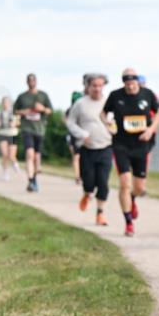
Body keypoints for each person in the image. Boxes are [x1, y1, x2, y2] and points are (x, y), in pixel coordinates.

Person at [104, 67, 159, 237]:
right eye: (126, 83)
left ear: (137, 81)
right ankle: (128, 222)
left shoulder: (147, 94)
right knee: (124, 183)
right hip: (121, 144)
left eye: (132, 83)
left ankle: (133, 199)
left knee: (138, 187)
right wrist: (107, 124)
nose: (129, 87)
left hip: (141, 145)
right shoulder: (116, 96)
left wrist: (151, 129)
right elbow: (103, 112)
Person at [66, 73, 113, 226]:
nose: (97, 89)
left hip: (106, 146)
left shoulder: (109, 102)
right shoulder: (80, 104)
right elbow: (71, 122)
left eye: (100, 85)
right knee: (89, 182)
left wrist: (114, 130)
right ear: (88, 86)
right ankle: (87, 194)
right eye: (94, 86)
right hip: (87, 148)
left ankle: (100, 213)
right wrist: (82, 134)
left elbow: (116, 121)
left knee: (103, 182)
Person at [13, 73, 53, 192]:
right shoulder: (22, 97)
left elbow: (50, 111)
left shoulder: (43, 95)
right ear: (27, 82)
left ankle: (34, 179)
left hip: (39, 129)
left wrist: (43, 109)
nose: (31, 82)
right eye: (29, 80)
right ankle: (30, 181)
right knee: (30, 154)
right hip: (27, 128)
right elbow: (14, 111)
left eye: (33, 80)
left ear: (36, 81)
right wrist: (23, 112)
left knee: (36, 156)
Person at [0, 96, 19, 180]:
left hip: (12, 134)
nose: (6, 104)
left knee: (12, 155)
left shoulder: (14, 112)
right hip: (2, 134)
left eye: (7, 102)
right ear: (2, 103)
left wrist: (14, 124)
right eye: (4, 102)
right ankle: (5, 172)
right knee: (4, 154)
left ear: (10, 103)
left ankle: (14, 163)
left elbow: (18, 122)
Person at [69, 77, 86, 184]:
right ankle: (77, 176)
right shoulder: (73, 109)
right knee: (77, 156)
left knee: (80, 157)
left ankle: (80, 175)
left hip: (85, 135)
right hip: (76, 135)